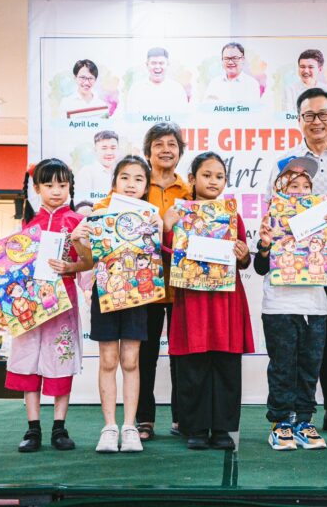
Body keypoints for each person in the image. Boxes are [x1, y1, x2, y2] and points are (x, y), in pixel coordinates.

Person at [267, 87, 327, 434]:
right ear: (299, 120)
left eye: (323, 114)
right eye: (309, 115)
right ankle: (294, 411)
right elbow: (273, 210)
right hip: (295, 255)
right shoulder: (286, 162)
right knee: (300, 337)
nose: (317, 121)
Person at [94, 122, 190, 441]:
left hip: (180, 285)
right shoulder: (133, 188)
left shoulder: (187, 191)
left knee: (182, 355)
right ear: (148, 152)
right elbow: (103, 218)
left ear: (180, 152)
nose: (166, 149)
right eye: (158, 144)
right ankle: (144, 419)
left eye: (172, 144)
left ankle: (183, 418)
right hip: (142, 288)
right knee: (143, 356)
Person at [163, 152, 254, 450]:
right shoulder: (179, 213)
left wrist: (244, 255)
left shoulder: (232, 216)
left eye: (219, 176)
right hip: (192, 299)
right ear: (192, 178)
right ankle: (196, 428)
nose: (213, 181)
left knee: (226, 364)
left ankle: (223, 429)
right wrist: (168, 228)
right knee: (193, 363)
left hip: (225, 300)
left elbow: (244, 259)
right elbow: (168, 254)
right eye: (206, 175)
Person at [4, 158, 93, 452]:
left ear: (70, 187)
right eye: (49, 185)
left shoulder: (78, 222)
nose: (56, 191)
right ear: (37, 187)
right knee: (29, 360)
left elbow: (88, 263)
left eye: (62, 185)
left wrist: (72, 269)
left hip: (62, 305)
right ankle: (33, 429)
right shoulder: (27, 224)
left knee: (60, 360)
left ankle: (59, 427)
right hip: (30, 305)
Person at [255, 156, 327, 450]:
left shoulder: (322, 216)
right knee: (282, 367)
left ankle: (304, 421)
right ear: (280, 187)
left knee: (309, 367)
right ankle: (281, 423)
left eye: (306, 186)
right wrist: (265, 244)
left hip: (314, 307)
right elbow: (260, 267)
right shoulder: (271, 218)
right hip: (279, 306)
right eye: (294, 185)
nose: (301, 191)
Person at [79, 155, 163, 453]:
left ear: (146, 186)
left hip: (137, 296)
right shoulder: (99, 213)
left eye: (139, 179)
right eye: (125, 177)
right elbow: (87, 259)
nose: (131, 184)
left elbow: (156, 257)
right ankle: (109, 427)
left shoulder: (151, 216)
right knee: (108, 361)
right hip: (105, 293)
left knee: (131, 361)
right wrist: (79, 238)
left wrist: (158, 228)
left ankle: (129, 427)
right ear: (114, 181)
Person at [125, 47, 189, 114]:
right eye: (153, 63)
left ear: (167, 64)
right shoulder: (136, 89)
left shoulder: (177, 89)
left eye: (161, 63)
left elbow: (182, 117)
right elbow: (132, 118)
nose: (157, 67)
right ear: (147, 65)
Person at [74, 130, 119, 206]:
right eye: (104, 148)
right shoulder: (86, 172)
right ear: (95, 150)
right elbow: (80, 203)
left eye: (113, 148)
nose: (109, 152)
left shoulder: (120, 172)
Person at [283, 49, 327, 114]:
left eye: (310, 67)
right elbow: (288, 116)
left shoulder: (325, 89)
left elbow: (326, 114)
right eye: (302, 67)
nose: (306, 71)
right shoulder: (290, 90)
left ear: (320, 69)